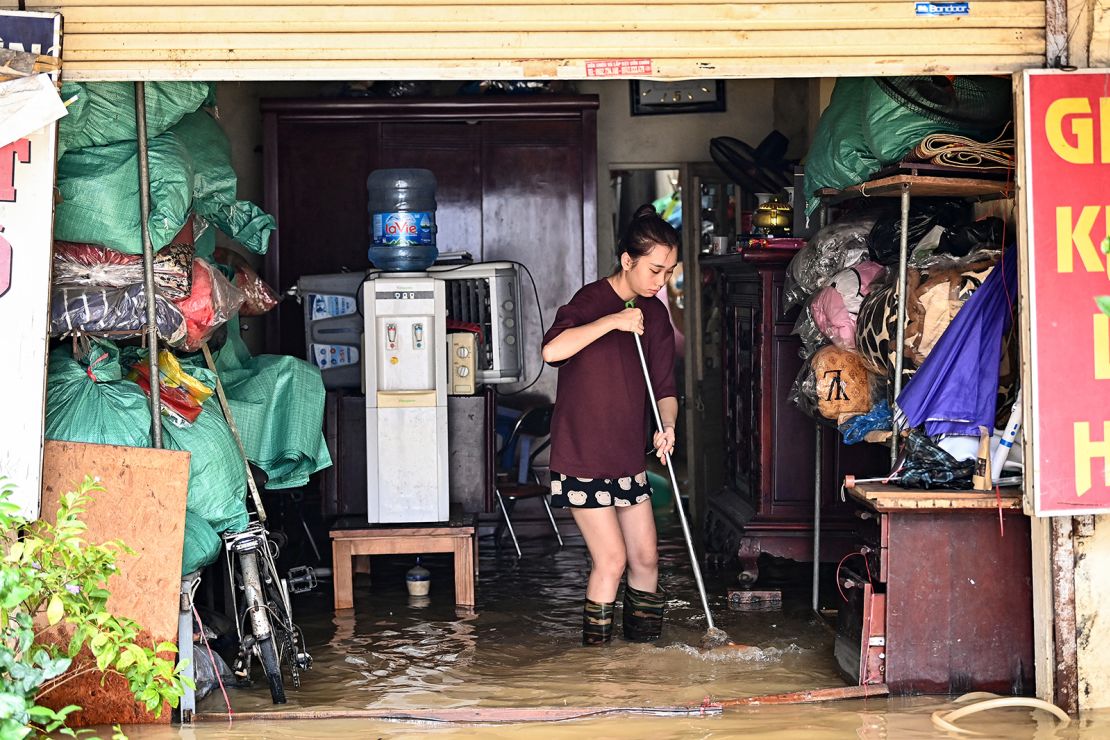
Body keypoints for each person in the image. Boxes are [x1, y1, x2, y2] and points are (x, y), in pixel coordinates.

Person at [541, 204, 679, 646]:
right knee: (613, 559)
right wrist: (613, 321)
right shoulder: (591, 300)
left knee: (647, 558)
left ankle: (641, 661)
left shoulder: (656, 315)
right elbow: (552, 352)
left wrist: (668, 426)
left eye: (668, 272)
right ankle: (598, 669)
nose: (661, 282)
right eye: (655, 270)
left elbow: (665, 388)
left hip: (625, 457)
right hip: (582, 455)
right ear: (627, 260)